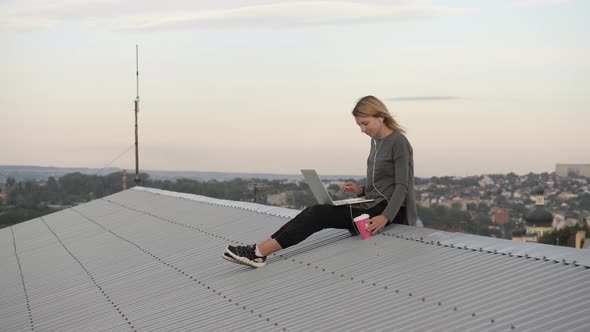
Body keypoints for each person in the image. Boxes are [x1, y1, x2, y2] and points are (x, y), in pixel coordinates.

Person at [224, 95, 417, 268]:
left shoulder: (399, 142)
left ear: (380, 117)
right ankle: (258, 250)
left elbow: (402, 185)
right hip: (373, 204)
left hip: (388, 211)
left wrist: (386, 217)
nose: (362, 129)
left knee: (318, 214)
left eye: (365, 124)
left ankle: (258, 253)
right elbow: (384, 184)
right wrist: (360, 190)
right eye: (359, 125)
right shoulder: (376, 141)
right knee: (313, 211)